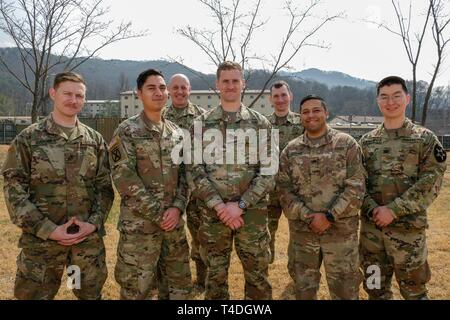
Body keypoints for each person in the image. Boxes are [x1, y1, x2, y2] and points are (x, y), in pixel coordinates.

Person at [1, 71, 114, 300]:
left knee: (87, 295)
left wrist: (92, 225)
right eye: (68, 94)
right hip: (42, 247)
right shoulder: (28, 139)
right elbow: (14, 192)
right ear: (53, 93)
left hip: (85, 247)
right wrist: (49, 230)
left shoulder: (94, 141)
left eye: (79, 96)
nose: (74, 100)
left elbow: (104, 188)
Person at [188, 61, 275, 300]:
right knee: (214, 278)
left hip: (252, 214)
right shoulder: (200, 125)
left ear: (243, 84)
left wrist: (241, 205)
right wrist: (219, 206)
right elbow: (193, 170)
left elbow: (269, 172)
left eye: (235, 80)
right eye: (225, 81)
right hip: (213, 215)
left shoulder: (261, 124)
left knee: (257, 277)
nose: (230, 85)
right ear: (217, 84)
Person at [359, 76, 447, 300]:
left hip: (408, 235)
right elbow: (356, 182)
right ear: (378, 101)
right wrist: (372, 209)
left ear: (407, 98)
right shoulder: (366, 142)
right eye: (384, 97)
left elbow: (431, 182)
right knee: (375, 288)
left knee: (415, 292)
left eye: (396, 96)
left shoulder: (425, 140)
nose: (391, 102)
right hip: (372, 235)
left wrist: (393, 210)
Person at [110, 68, 192, 300]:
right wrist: (159, 214)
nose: (159, 92)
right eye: (151, 88)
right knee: (138, 291)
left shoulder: (177, 133)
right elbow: (124, 178)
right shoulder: (126, 131)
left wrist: (177, 208)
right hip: (140, 230)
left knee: (179, 290)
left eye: (162, 87)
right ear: (139, 94)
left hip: (174, 229)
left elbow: (187, 176)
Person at [276, 94, 365, 300]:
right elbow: (283, 189)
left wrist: (329, 216)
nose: (311, 115)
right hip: (303, 234)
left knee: (345, 290)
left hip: (341, 233)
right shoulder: (291, 150)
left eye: (316, 110)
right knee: (304, 290)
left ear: (326, 113)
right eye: (305, 112)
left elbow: (356, 186)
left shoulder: (347, 144)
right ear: (300, 117)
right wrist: (308, 215)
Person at [162, 74, 207, 291]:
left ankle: (202, 280)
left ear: (190, 89)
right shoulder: (159, 116)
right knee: (167, 237)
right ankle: (164, 282)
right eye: (175, 88)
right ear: (169, 90)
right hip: (169, 188)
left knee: (201, 236)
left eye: (184, 88)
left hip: (197, 189)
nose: (180, 92)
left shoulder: (203, 118)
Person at [265, 80, 303, 264]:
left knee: (298, 236)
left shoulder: (302, 123)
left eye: (283, 95)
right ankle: (263, 270)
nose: (280, 100)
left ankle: (298, 276)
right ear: (270, 99)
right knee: (265, 235)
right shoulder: (262, 125)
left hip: (295, 191)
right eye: (276, 96)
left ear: (290, 96)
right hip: (268, 190)